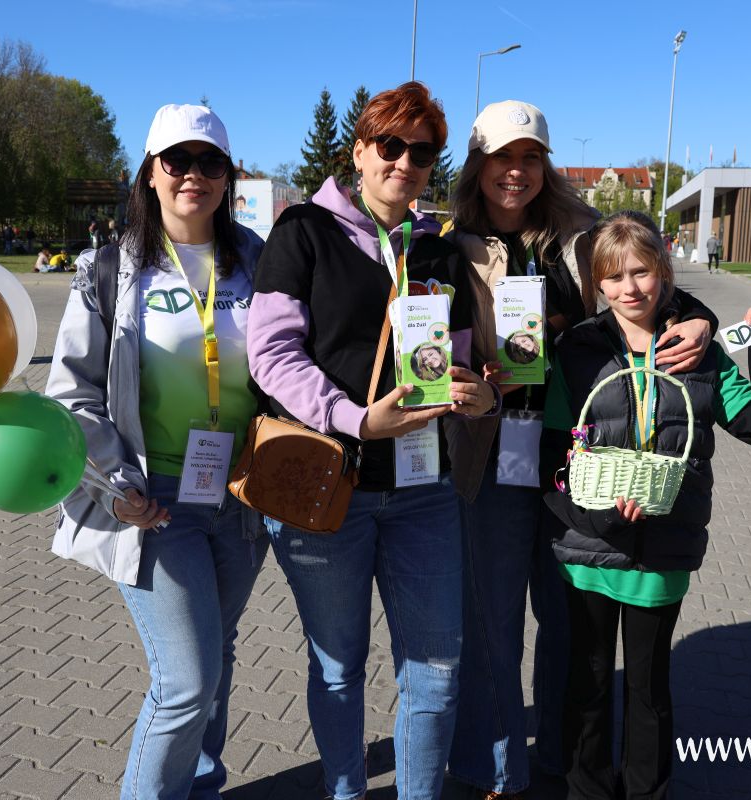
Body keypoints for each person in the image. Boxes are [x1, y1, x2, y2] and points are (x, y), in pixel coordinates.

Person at [443, 102, 717, 800]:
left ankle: (561, 763)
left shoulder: (579, 235)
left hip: (579, 460)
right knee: (493, 621)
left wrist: (701, 318)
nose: (516, 171)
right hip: (491, 454)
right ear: (477, 164)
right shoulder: (447, 242)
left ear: (545, 164)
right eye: (502, 157)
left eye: (529, 157)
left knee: (567, 624)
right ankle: (493, 767)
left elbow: (649, 286)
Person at [248, 81, 496, 800]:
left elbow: (451, 361)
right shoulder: (303, 233)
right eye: (390, 145)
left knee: (437, 669)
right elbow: (271, 354)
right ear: (359, 151)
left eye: (422, 152)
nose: (404, 163)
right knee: (338, 668)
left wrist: (476, 396)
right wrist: (354, 418)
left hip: (423, 489)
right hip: (330, 487)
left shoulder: (437, 252)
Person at [47, 104, 269, 799]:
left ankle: (201, 786)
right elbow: (72, 391)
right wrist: (114, 483)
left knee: (218, 657)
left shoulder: (259, 261)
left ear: (228, 176)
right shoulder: (110, 269)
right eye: (178, 160)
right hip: (155, 502)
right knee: (186, 682)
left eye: (211, 162)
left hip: (243, 495)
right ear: (150, 173)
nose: (193, 174)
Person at [541, 211, 751, 800]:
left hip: (662, 550)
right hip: (588, 547)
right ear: (597, 284)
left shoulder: (699, 352)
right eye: (614, 277)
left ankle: (647, 791)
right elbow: (550, 457)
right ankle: (587, 791)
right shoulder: (576, 351)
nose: (630, 288)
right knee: (588, 683)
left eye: (642, 271)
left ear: (665, 270)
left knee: (649, 688)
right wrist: (595, 516)